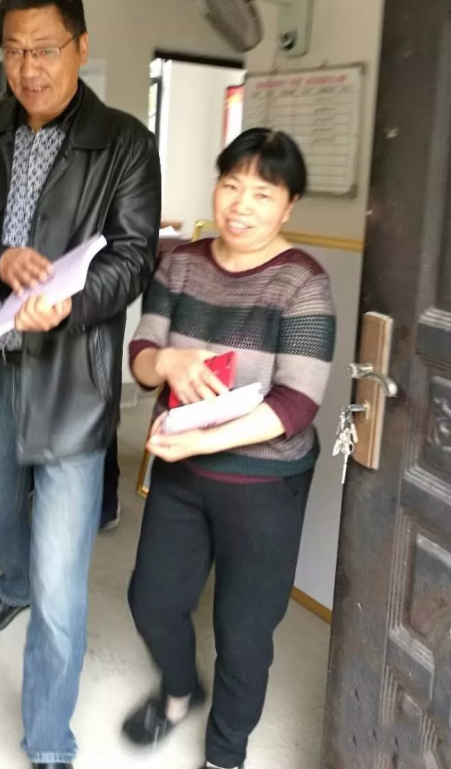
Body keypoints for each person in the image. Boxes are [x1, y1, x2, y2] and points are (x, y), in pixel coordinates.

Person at [0, 0, 161, 769]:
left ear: (80, 48)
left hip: (71, 379)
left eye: (46, 49)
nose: (29, 68)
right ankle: (12, 582)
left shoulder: (123, 142)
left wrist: (73, 304)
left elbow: (134, 256)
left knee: (63, 582)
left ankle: (48, 742)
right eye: (15, 51)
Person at [122, 129, 336, 769]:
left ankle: (225, 753)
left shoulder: (303, 282)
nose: (241, 204)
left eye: (263, 193)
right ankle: (179, 690)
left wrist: (205, 440)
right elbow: (142, 356)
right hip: (181, 473)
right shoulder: (182, 263)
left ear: (289, 206)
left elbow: (296, 405)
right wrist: (167, 361)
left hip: (265, 485)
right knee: (152, 602)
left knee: (244, 633)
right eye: (231, 185)